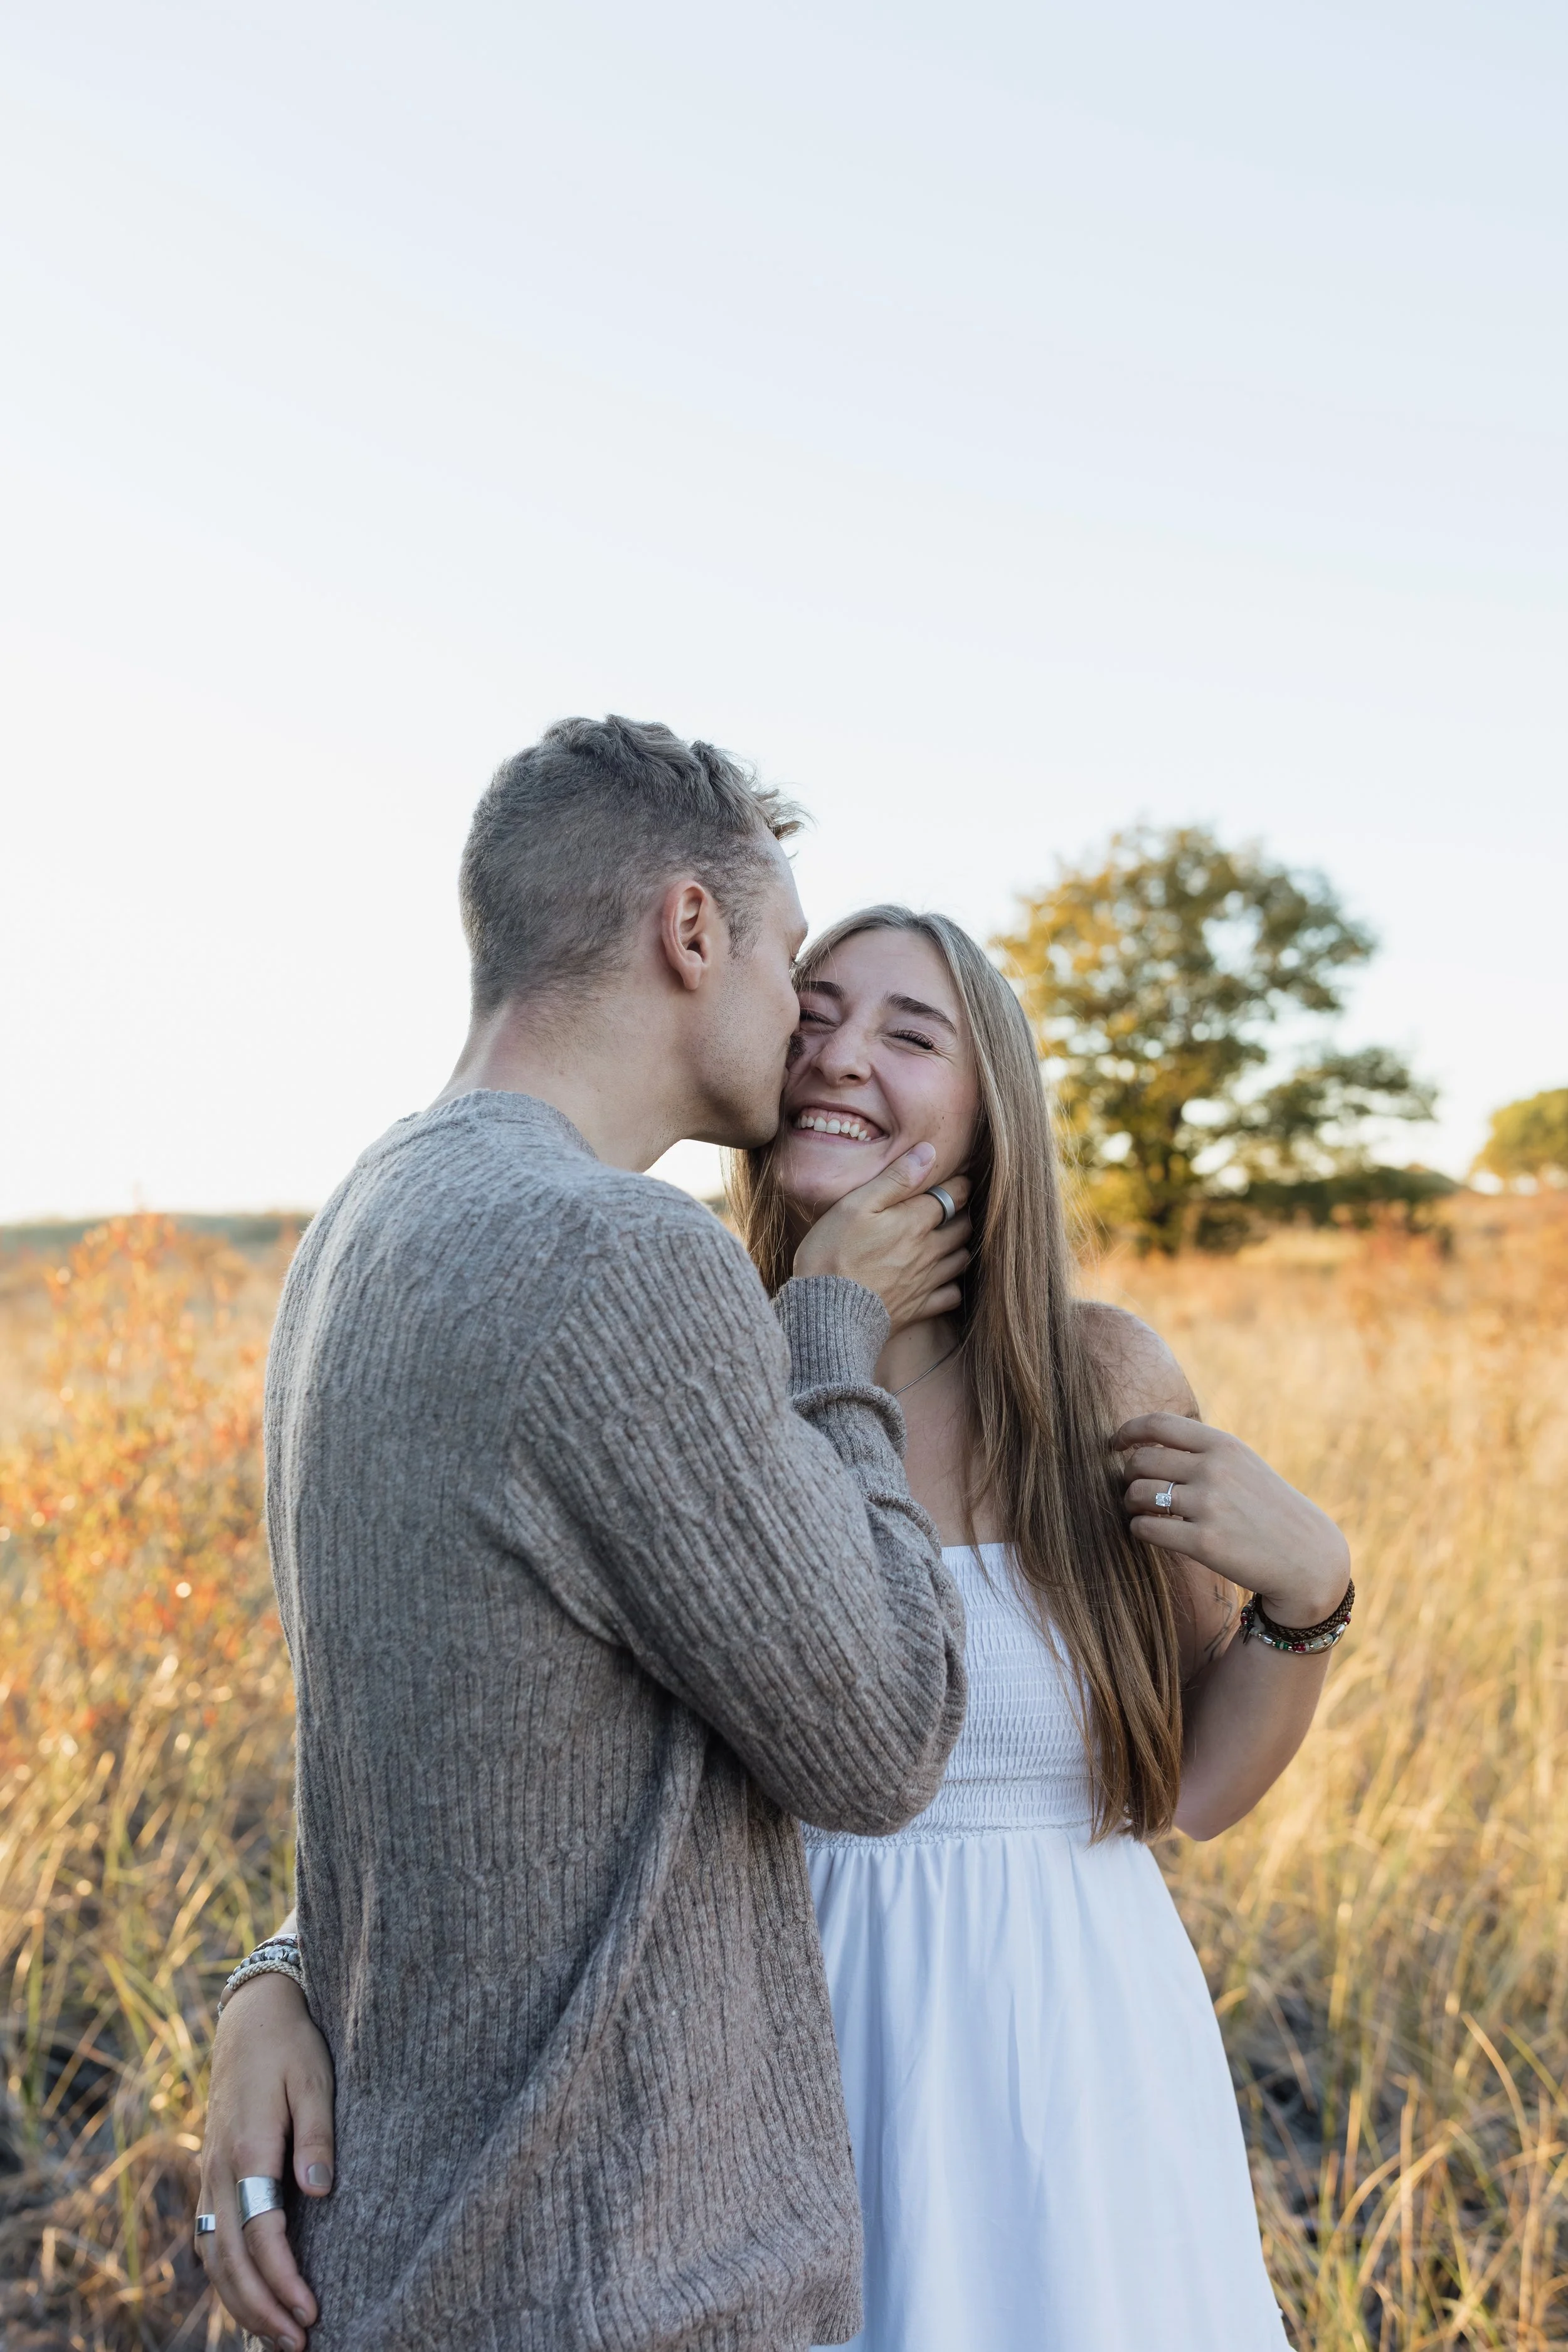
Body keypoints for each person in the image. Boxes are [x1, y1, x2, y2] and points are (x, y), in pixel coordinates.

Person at [208, 891, 1354, 2349]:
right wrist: (283, 1966)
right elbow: (495, 1738)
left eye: (908, 1031)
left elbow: (1189, 1788)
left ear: (992, 1104)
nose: (838, 1056)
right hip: (746, 2073)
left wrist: (1306, 1601)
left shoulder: (1101, 1381)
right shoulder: (699, 1361)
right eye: (810, 1016)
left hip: (1063, 2067)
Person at [196, 719, 974, 2352]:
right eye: (785, 959)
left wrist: (278, 1955)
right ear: (691, 930)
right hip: (607, 2270)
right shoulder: (619, 1251)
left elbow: (444, 1741)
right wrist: (835, 1332)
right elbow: (886, 1735)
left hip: (419, 2250)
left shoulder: (362, 1217)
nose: (801, 1023)